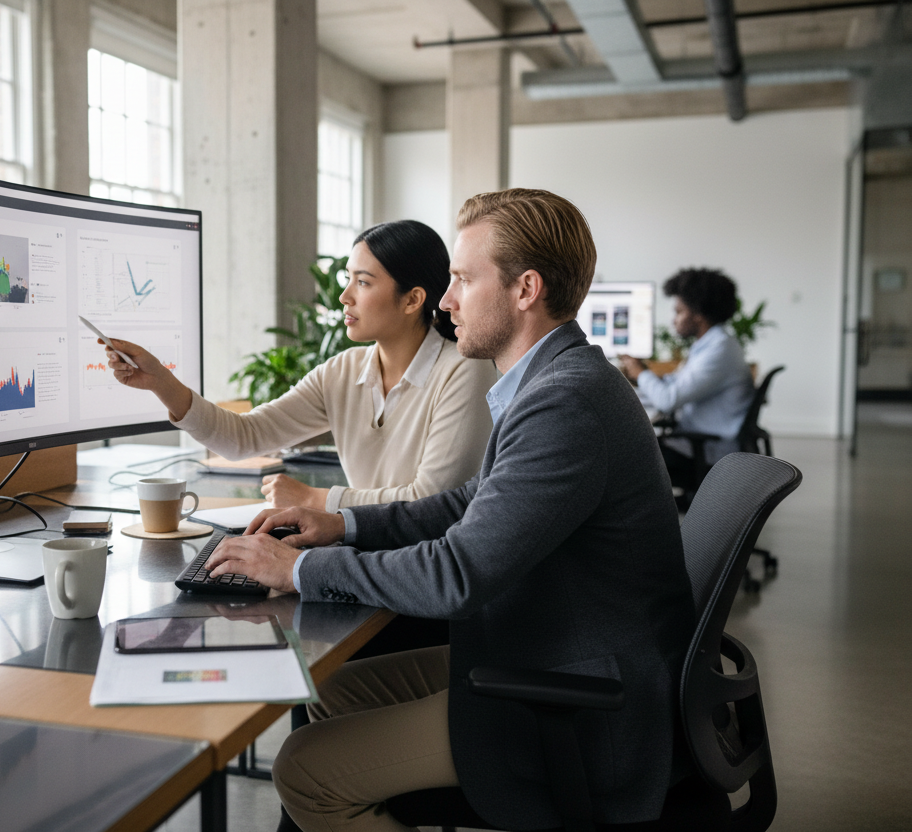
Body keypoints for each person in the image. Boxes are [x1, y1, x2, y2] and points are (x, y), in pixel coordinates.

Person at [203, 189, 696, 832]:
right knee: (329, 692)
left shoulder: (565, 403)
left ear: (525, 289)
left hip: (580, 702)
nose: (445, 299)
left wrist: (298, 570)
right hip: (547, 647)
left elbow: (457, 574)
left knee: (303, 768)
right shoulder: (553, 381)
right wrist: (341, 523)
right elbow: (466, 502)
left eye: (462, 279)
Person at [104, 219, 499, 513]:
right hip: (364, 550)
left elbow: (430, 501)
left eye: (362, 282)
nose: (344, 296)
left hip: (425, 574)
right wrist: (161, 382)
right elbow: (244, 436)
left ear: (413, 299)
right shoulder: (342, 372)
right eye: (349, 279)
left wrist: (315, 499)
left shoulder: (465, 369)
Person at [618, 268, 755, 488]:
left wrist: (641, 373)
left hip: (705, 453)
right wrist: (641, 377)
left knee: (619, 454)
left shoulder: (719, 350)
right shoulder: (712, 344)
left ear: (698, 314)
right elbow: (677, 384)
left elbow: (668, 399)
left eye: (679, 312)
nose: (674, 320)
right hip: (696, 443)